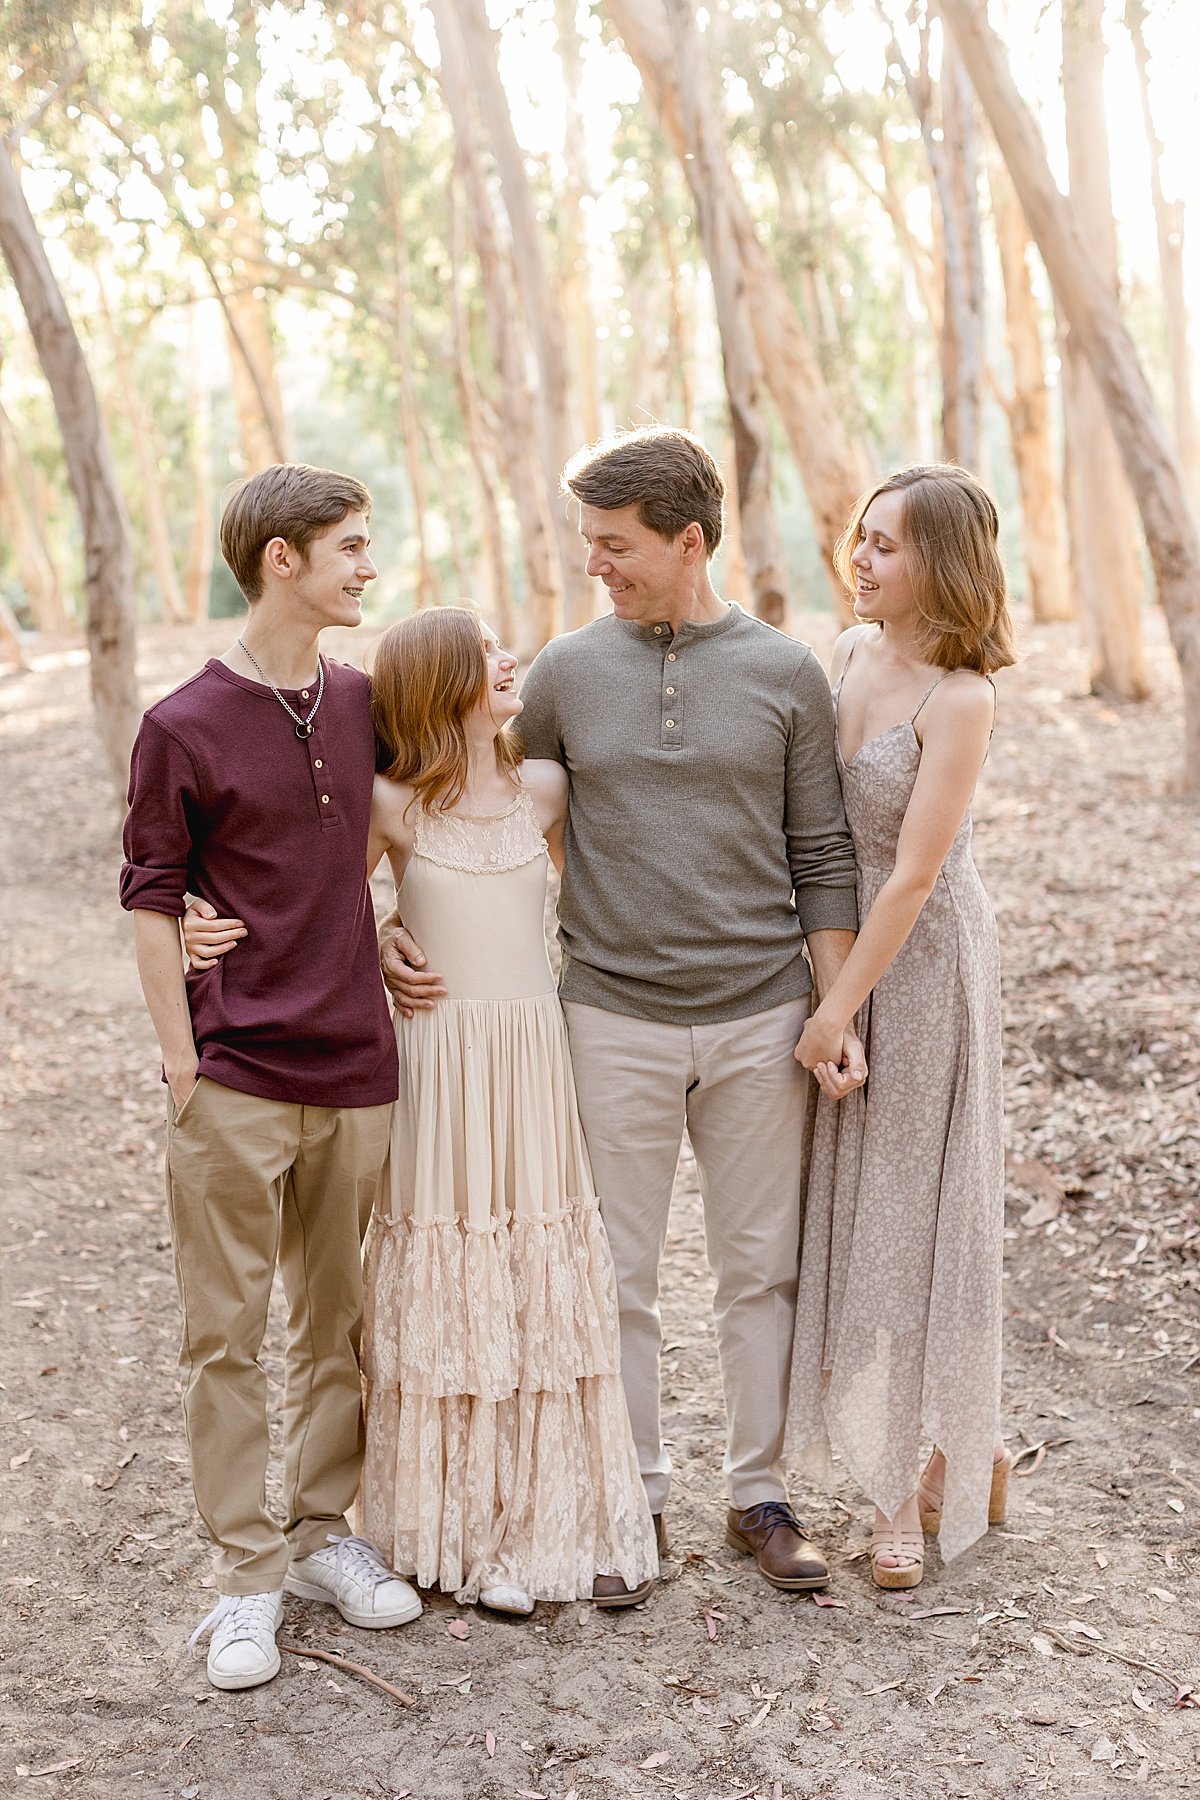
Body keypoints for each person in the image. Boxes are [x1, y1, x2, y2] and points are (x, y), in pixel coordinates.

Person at [383, 427, 863, 1598]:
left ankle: (759, 1496)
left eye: (617, 544)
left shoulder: (786, 672)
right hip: (604, 1015)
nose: (597, 563)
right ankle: (629, 1498)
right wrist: (390, 917)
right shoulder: (561, 672)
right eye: (591, 542)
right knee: (614, 1270)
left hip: (762, 1015)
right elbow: (477, 809)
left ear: (687, 540)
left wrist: (835, 1007)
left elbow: (825, 854)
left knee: (760, 1272)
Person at [187, 607, 660, 1616]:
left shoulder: (546, 788)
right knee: (447, 1269)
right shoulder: (390, 805)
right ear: (441, 685)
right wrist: (362, 927)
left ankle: (535, 1526)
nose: (507, 661)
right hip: (440, 1060)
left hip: (531, 1054)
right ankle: (453, 1531)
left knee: (536, 1278)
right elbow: (314, 902)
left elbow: (594, 906)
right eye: (484, 653)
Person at [120, 464, 422, 1691]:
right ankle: (245, 1578)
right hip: (235, 1071)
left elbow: (386, 832)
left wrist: (390, 922)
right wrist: (182, 1066)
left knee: (341, 1321)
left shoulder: (360, 699)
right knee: (227, 1335)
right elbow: (151, 903)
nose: (369, 566)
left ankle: (319, 1538)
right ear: (281, 560)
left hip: (359, 1059)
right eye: (348, 547)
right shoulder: (180, 724)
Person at [786, 464, 1015, 1590]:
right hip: (842, 945)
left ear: (943, 563)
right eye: (861, 539)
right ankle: (970, 1451)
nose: (862, 560)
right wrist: (825, 983)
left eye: (887, 545)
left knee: (915, 1215)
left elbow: (916, 876)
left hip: (925, 969)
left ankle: (904, 1490)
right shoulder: (843, 651)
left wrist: (837, 1010)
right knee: (854, 1203)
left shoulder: (960, 697)